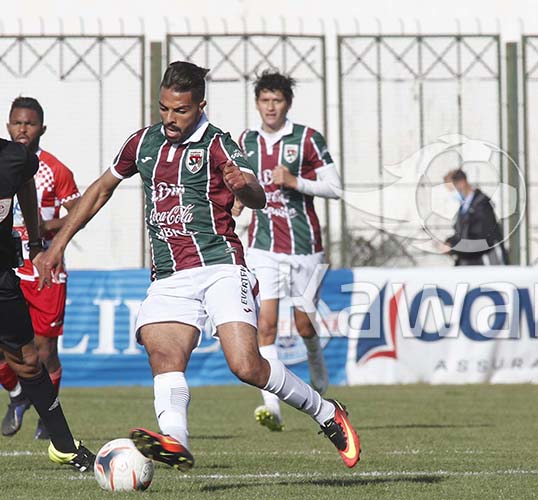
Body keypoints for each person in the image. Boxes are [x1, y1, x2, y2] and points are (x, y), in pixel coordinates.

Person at [34, 61, 361, 471]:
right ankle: (177, 442)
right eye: (164, 109)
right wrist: (56, 247)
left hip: (220, 266)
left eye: (181, 111)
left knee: (246, 366)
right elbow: (100, 190)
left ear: (200, 105)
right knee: (163, 354)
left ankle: (326, 411)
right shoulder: (144, 143)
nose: (170, 119)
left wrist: (246, 187)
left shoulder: (220, 145)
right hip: (170, 276)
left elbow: (255, 193)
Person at [233, 70, 341, 432]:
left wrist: (296, 182)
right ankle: (271, 406)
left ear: (287, 104)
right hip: (263, 247)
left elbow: (335, 187)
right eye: (264, 101)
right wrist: (236, 205)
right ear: (257, 104)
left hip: (304, 247)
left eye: (276, 101)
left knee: (304, 323)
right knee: (265, 325)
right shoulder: (246, 141)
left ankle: (318, 375)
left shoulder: (307, 139)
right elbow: (239, 184)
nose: (270, 107)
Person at [0, 135, 93, 471]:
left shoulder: (14, 158)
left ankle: (65, 447)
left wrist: (36, 242)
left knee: (28, 361)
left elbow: (26, 184)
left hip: (1, 278)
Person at [443, 169, 507, 265]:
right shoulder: (464, 207)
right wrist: (448, 243)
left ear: (461, 183)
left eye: (452, 190)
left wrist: (453, 247)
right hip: (470, 262)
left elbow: (480, 239)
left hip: (485, 263)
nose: (452, 194)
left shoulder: (482, 205)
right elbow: (462, 234)